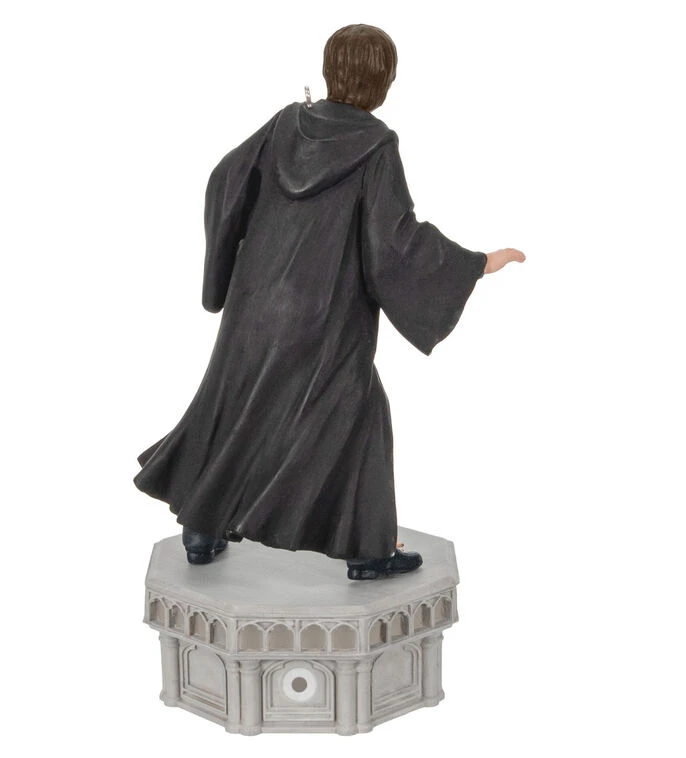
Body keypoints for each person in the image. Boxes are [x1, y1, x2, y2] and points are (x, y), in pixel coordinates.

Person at [133, 24, 525, 580]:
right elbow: (394, 242)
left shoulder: (285, 124)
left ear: (329, 70)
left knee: (239, 403)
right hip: (324, 314)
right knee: (358, 415)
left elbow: (225, 179)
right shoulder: (376, 145)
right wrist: (475, 263)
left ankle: (200, 530)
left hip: (256, 301)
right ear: (383, 80)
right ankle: (369, 553)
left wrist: (228, 263)